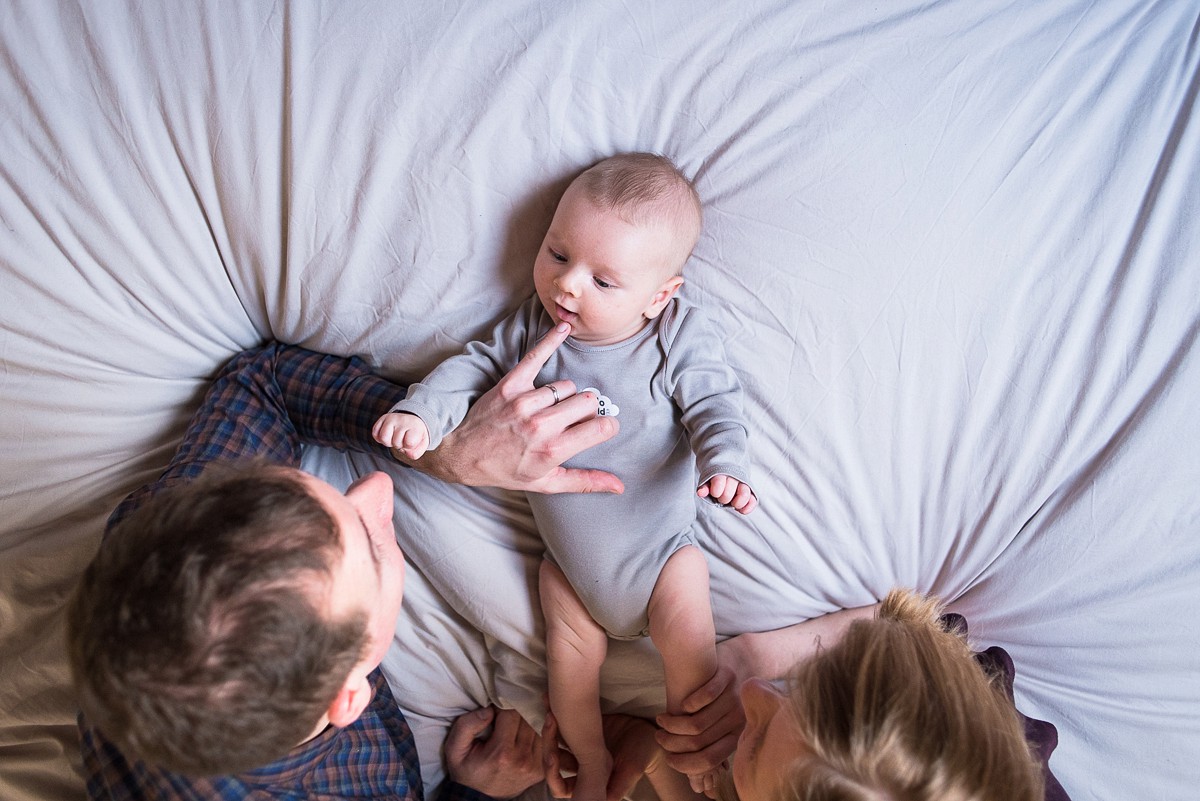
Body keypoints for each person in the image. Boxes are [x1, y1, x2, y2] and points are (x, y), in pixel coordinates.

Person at [65, 327, 620, 801]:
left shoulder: (171, 539)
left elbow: (266, 381)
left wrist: (441, 450)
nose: (377, 487)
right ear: (348, 698)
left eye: (305, 489)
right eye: (374, 545)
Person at [372, 153, 757, 800]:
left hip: (660, 557)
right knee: (569, 683)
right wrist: (422, 413)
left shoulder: (674, 336)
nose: (569, 286)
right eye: (557, 254)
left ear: (660, 295)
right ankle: (591, 763)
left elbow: (715, 404)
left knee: (692, 672)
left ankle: (702, 770)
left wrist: (726, 465)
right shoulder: (532, 324)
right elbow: (472, 367)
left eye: (604, 281)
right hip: (570, 573)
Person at [644, 589, 1072, 801]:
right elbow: (925, 632)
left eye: (755, 750)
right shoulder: (981, 731)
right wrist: (755, 655)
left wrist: (653, 760)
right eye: (811, 678)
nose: (755, 694)